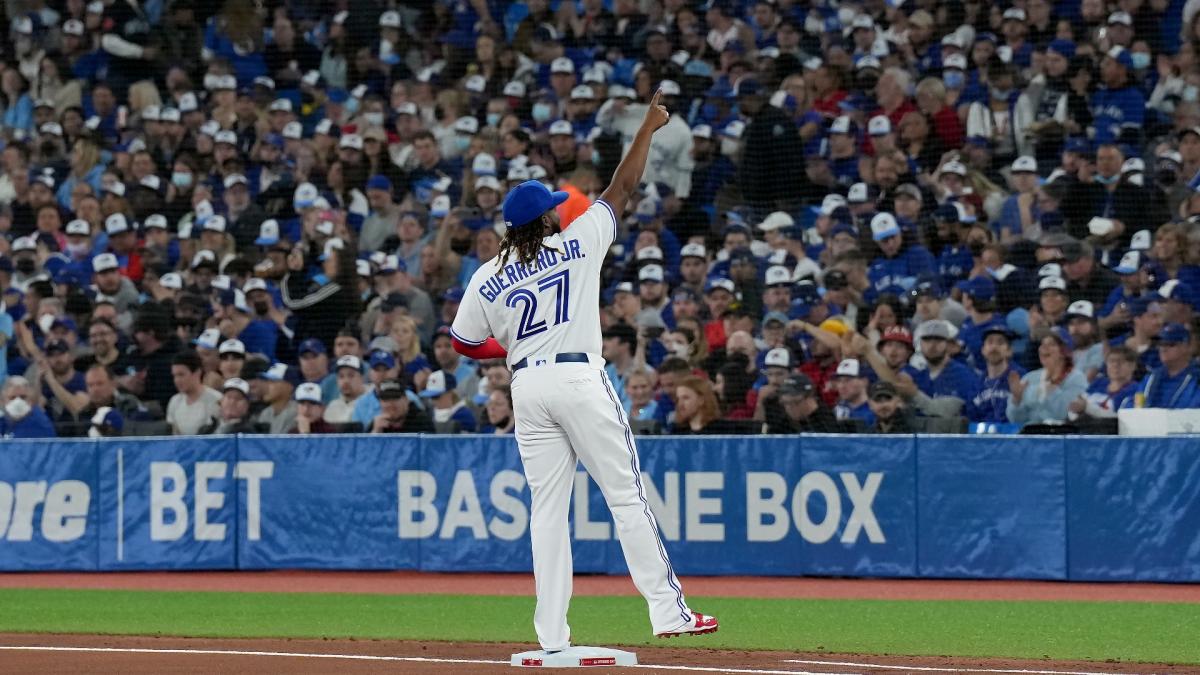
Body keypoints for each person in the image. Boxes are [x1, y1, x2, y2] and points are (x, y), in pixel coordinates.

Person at [449, 91, 716, 653]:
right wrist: (646, 127)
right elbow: (624, 186)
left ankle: (551, 635)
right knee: (624, 494)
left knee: (546, 514)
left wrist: (516, 353)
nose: (557, 209)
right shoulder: (576, 242)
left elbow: (463, 344)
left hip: (528, 385)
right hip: (577, 377)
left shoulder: (485, 275)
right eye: (551, 206)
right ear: (545, 218)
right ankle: (668, 611)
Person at [1006, 328, 1089, 426]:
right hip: (1029, 437)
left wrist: (1052, 392)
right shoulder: (1030, 378)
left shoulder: (1077, 379)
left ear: (1065, 351)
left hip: (1061, 437)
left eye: (1051, 344)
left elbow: (1065, 415)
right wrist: (1017, 399)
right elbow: (1015, 420)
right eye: (1042, 344)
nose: (1044, 348)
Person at [1133, 324, 1200, 409]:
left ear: (1186, 347)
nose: (1163, 349)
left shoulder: (1197, 379)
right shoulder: (1150, 378)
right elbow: (1136, 407)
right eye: (1161, 344)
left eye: (1170, 344)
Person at [761, 373, 840, 434]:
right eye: (785, 403)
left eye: (794, 403)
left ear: (809, 398)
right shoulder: (783, 421)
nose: (789, 408)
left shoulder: (825, 421)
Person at [167, 350, 221, 435]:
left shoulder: (215, 399)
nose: (177, 380)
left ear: (197, 372)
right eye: (175, 376)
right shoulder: (174, 401)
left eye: (181, 375)